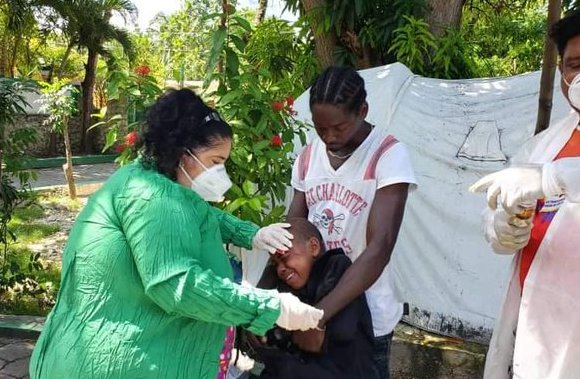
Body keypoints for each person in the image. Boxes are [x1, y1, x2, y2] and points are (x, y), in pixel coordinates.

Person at [29, 89, 324, 379]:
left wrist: (251, 234)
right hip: (119, 361)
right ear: (183, 152)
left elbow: (196, 213)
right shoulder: (151, 197)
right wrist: (268, 307)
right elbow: (176, 284)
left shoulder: (148, 179)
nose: (222, 175)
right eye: (215, 162)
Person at [284, 66, 417, 379]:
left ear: (363, 111)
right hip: (313, 305)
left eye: (339, 128)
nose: (329, 137)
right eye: (321, 128)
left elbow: (380, 247)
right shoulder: (307, 158)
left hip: (366, 317)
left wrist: (320, 315)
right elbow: (293, 232)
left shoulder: (387, 154)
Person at [470, 10, 580, 379]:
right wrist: (501, 229)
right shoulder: (542, 146)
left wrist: (551, 178)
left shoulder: (546, 165)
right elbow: (500, 221)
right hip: (531, 336)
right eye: (573, 64)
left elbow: (551, 181)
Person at [251, 218, 376, 379]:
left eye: (284, 258)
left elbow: (332, 336)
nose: (280, 269)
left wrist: (298, 328)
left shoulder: (336, 268)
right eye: (275, 264)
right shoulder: (291, 285)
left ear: (314, 247)